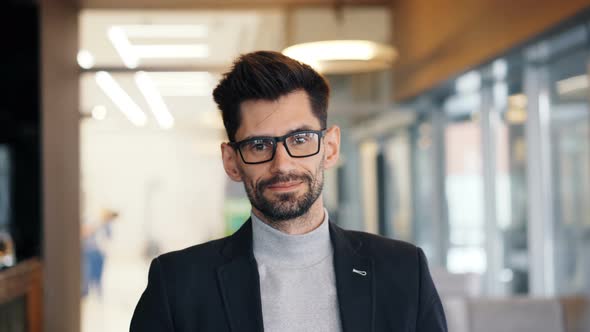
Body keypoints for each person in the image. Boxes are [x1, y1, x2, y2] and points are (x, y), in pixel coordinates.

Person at [130, 51, 447, 332]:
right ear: (231, 161)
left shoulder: (403, 272)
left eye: (300, 139)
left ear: (331, 147)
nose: (282, 164)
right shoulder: (177, 284)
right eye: (258, 145)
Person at [81, 208, 118, 298]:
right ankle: (87, 293)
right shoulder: (95, 222)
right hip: (90, 252)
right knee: (88, 274)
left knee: (98, 275)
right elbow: (86, 233)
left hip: (100, 253)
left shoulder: (107, 226)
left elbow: (107, 238)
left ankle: (98, 293)